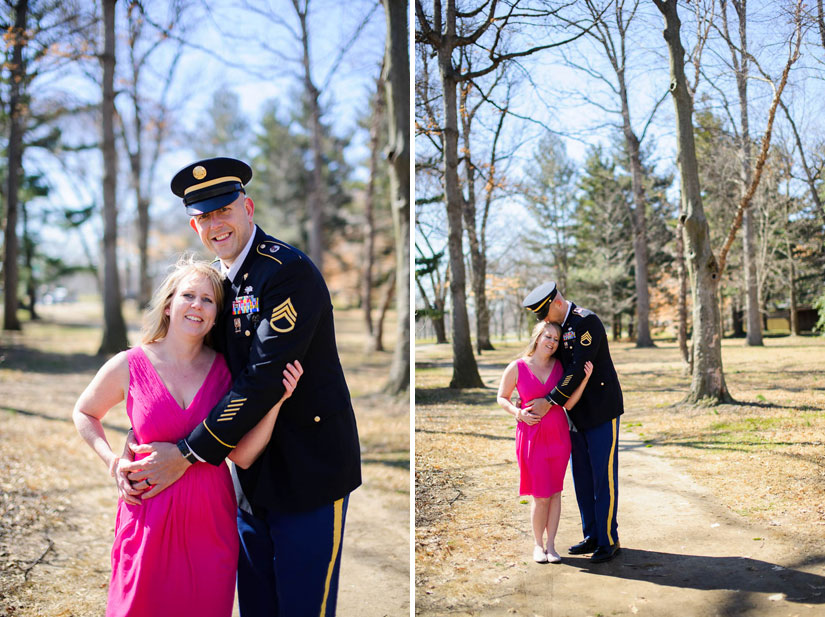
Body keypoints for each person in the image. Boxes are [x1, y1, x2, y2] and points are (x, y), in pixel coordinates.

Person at [118, 157, 362, 617]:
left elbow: (265, 375)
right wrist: (147, 430)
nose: (216, 224)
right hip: (246, 473)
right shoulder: (214, 283)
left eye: (224, 209)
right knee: (257, 606)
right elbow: (190, 361)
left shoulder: (286, 271)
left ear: (247, 208)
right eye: (205, 217)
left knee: (302, 607)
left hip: (308, 468)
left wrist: (187, 453)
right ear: (196, 226)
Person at [73, 259, 303, 617]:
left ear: (216, 316)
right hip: (146, 516)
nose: (197, 305)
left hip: (209, 523)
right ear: (169, 304)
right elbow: (84, 412)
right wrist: (112, 461)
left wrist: (276, 402)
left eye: (208, 300)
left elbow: (242, 456)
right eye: (188, 296)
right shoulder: (129, 364)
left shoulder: (229, 374)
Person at [522, 281, 624, 563]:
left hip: (601, 411)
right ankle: (591, 535)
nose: (544, 321)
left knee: (603, 478)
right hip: (576, 414)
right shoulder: (561, 327)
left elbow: (579, 368)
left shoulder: (585, 322)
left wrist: (550, 400)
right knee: (583, 478)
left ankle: (609, 539)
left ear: (555, 303)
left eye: (545, 314)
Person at [497, 320, 593, 563]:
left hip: (558, 435)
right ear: (537, 337)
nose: (551, 342)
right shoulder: (517, 367)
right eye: (547, 336)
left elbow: (568, 403)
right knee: (540, 495)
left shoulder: (562, 368)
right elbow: (502, 397)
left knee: (556, 493)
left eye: (556, 339)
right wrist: (518, 413)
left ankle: (552, 547)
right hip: (531, 436)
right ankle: (538, 546)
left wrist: (583, 380)